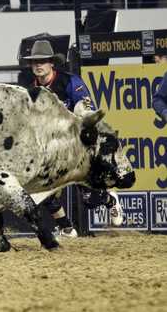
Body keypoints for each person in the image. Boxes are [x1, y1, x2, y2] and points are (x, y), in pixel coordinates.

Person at [21, 40, 124, 236]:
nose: (38, 65)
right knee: (37, 185)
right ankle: (66, 228)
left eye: (42, 61)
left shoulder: (70, 82)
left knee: (90, 199)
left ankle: (111, 200)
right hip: (51, 147)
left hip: (76, 143)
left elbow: (87, 111)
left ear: (52, 63)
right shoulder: (30, 91)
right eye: (35, 61)